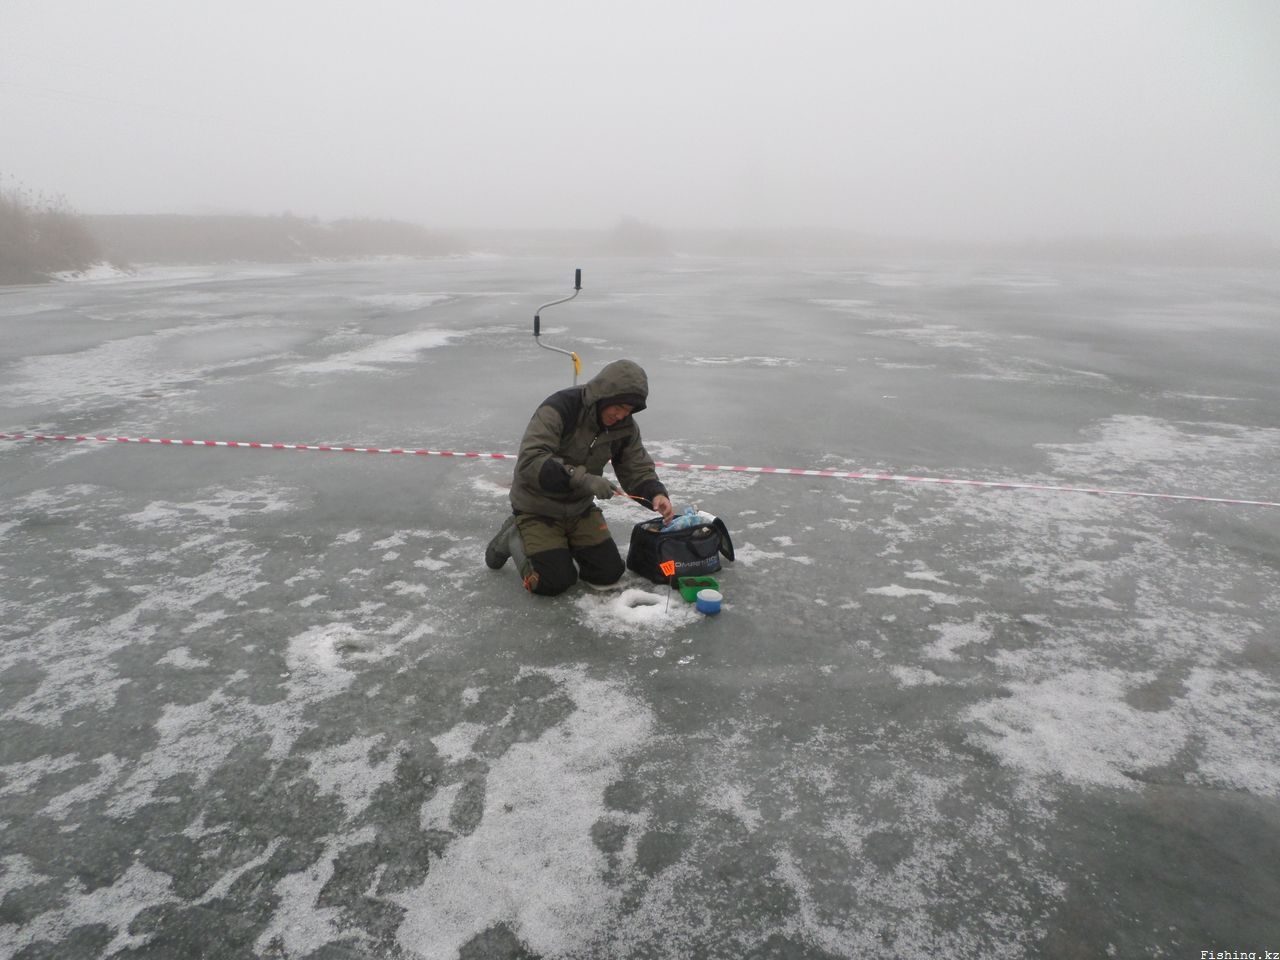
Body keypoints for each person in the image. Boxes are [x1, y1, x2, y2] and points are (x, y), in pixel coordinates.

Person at [484, 358, 675, 595]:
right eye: (618, 407)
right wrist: (584, 480)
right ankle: (513, 535)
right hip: (537, 507)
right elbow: (531, 461)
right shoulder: (560, 408)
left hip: (578, 508)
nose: (621, 415)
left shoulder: (624, 426)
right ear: (605, 396)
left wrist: (655, 494)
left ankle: (560, 545)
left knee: (608, 573)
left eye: (629, 410)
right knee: (553, 581)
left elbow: (635, 467)